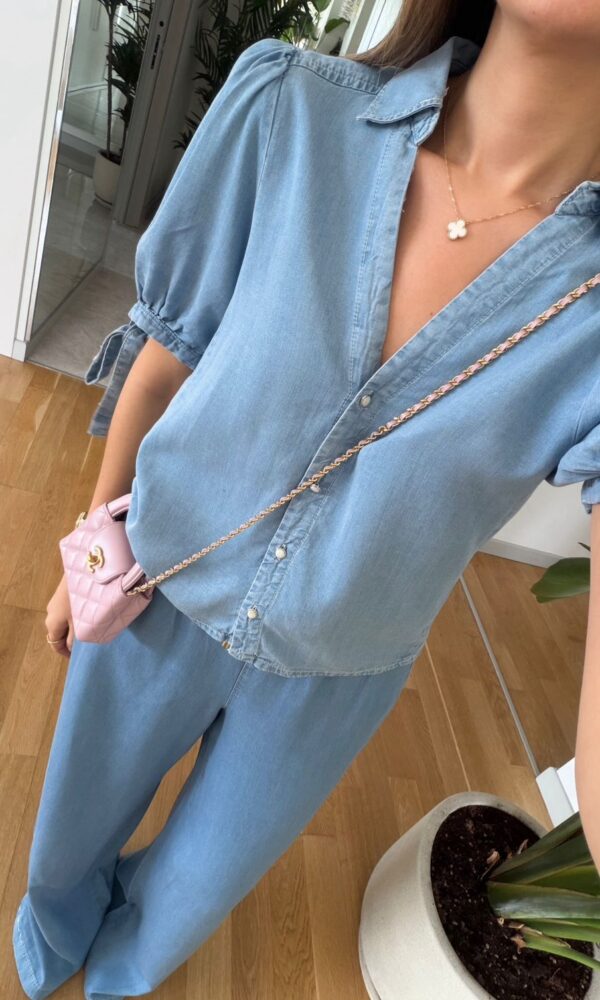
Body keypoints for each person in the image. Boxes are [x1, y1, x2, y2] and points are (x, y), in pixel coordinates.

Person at [13, 1, 600, 997]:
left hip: (337, 668)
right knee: (71, 827)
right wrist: (94, 551)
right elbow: (170, 351)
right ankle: (53, 928)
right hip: (161, 578)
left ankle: (118, 976)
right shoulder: (291, 110)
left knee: (195, 888)